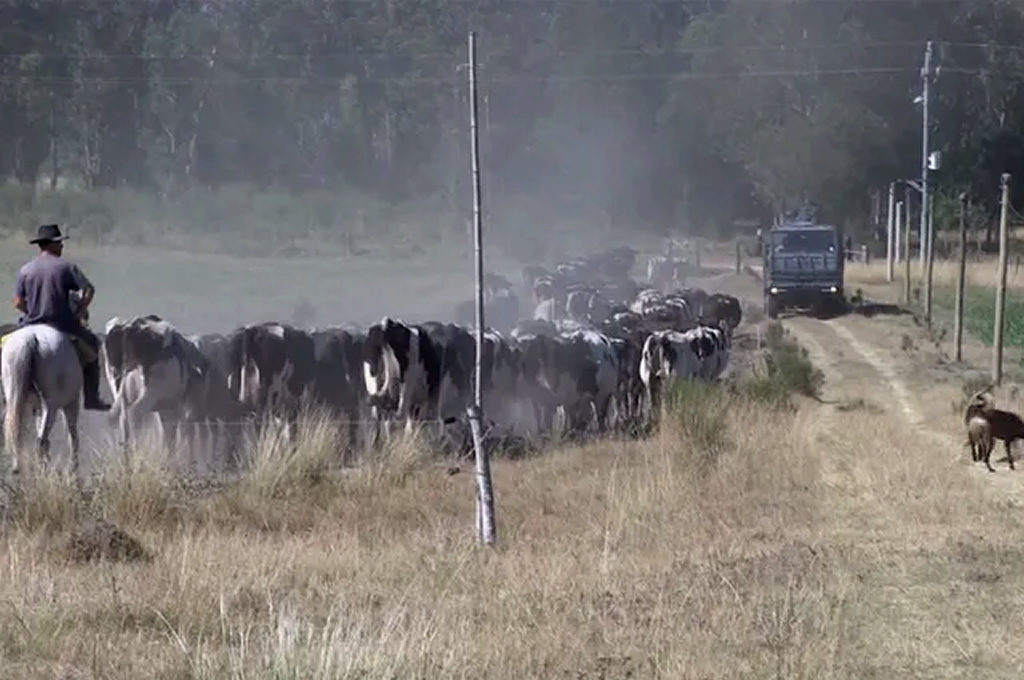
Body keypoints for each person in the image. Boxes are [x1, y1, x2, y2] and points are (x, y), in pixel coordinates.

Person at [12, 223, 111, 411]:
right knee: (93, 345)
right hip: (61, 324)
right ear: (51, 244)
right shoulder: (66, 267)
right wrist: (79, 311)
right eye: (59, 242)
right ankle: (92, 398)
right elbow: (88, 289)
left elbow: (17, 302)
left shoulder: (25, 270)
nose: (62, 246)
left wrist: (32, 311)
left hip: (29, 324)